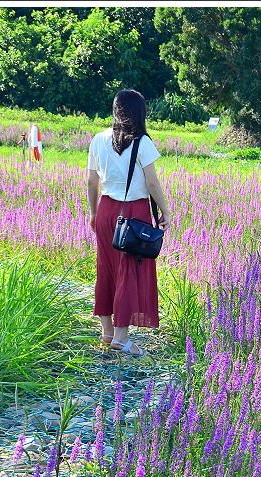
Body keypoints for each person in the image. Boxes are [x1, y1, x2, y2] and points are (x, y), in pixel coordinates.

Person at [87, 89, 171, 357]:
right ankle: (122, 339)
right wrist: (166, 211)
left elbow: (91, 182)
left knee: (107, 269)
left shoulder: (99, 139)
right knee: (127, 272)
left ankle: (107, 334)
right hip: (133, 212)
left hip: (106, 210)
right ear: (139, 112)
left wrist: (93, 213)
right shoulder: (142, 142)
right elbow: (152, 182)